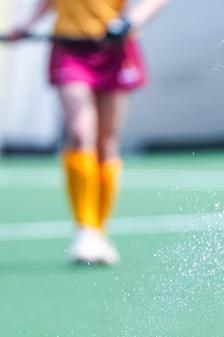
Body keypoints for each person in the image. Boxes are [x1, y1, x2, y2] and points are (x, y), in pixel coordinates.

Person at [7, 0, 167, 265]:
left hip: (114, 48)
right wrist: (26, 26)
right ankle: (85, 231)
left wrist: (132, 21)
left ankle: (99, 232)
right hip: (70, 49)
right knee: (81, 133)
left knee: (106, 143)